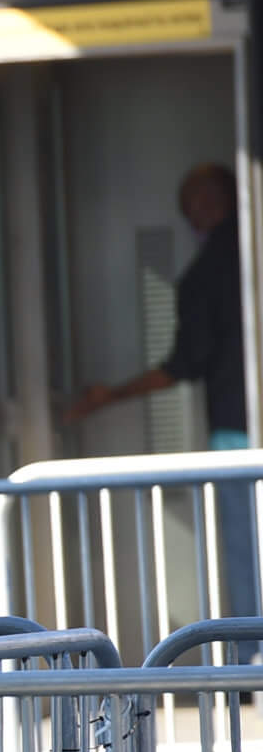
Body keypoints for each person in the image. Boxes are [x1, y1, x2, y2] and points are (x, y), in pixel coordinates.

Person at [65, 162, 256, 630]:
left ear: (210, 206)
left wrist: (108, 396)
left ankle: (257, 655)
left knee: (249, 547)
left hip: (238, 432)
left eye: (194, 207)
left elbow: (182, 365)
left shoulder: (205, 275)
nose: (193, 218)